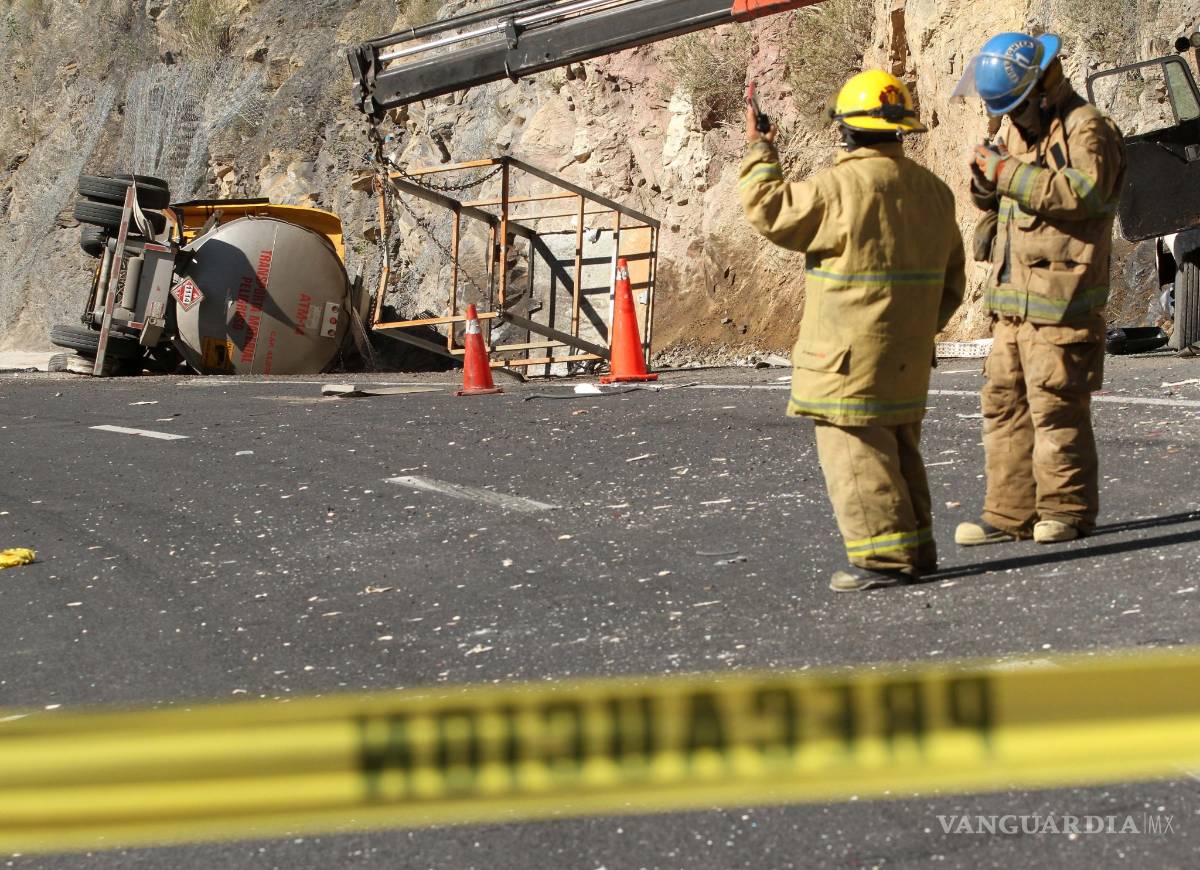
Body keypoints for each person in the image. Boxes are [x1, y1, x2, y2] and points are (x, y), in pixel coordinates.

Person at [739, 70, 966, 592]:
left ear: (845, 130)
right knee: (901, 449)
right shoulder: (935, 193)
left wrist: (759, 152)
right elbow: (952, 281)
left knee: (856, 455)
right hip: (908, 355)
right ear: (900, 129)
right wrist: (915, 330)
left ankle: (882, 559)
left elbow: (770, 212)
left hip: (845, 359)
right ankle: (916, 548)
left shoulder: (836, 188)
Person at [952, 32, 1126, 547]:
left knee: (1056, 407)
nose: (1011, 121)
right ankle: (1008, 515)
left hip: (1064, 302)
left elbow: (1084, 195)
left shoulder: (1088, 128)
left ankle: (1065, 512)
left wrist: (1006, 172)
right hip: (1013, 305)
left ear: (1043, 89)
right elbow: (1000, 201)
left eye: (1016, 109)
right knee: (1003, 406)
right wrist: (986, 179)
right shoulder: (1023, 131)